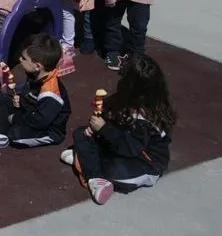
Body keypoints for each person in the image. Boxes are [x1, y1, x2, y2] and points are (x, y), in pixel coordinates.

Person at [62, 55, 175, 206]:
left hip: (144, 163)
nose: (119, 82)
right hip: (120, 146)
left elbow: (129, 148)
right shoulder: (126, 100)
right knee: (81, 133)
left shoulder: (146, 119)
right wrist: (97, 126)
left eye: (123, 80)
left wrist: (104, 128)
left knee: (112, 170)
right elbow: (113, 121)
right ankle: (88, 163)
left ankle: (92, 174)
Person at [0, 34, 71, 149]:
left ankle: (6, 132)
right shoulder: (35, 73)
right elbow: (30, 94)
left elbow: (40, 121)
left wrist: (15, 118)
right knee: (1, 98)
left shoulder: (50, 93)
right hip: (30, 112)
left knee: (15, 134)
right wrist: (21, 99)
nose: (20, 59)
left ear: (37, 66)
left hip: (48, 129)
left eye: (24, 58)